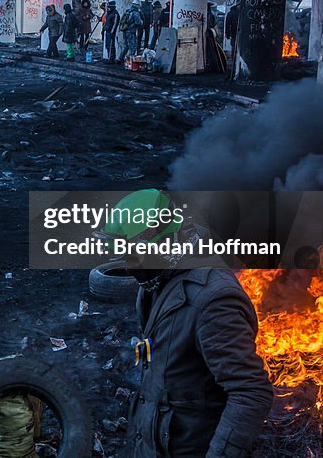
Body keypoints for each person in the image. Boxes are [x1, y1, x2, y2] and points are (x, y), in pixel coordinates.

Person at [106, 190, 273, 458]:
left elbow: (251, 392)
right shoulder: (158, 281)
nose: (128, 265)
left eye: (134, 253)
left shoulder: (213, 301)